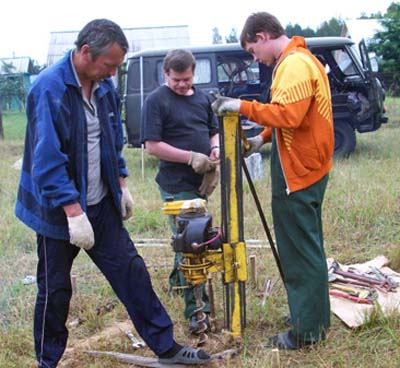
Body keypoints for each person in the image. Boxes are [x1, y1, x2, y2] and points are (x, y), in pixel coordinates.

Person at [15, 19, 210, 367]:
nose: (112, 72)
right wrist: (73, 213)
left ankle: (167, 348)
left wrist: (120, 184)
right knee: (56, 290)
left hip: (101, 204)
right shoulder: (49, 89)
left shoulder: (104, 87)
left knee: (132, 272)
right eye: (110, 65)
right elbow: (47, 160)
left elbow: (111, 140)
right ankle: (47, 362)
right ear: (85, 52)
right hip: (58, 211)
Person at [212, 12, 334, 349]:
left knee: (299, 250)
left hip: (299, 170)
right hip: (307, 165)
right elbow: (288, 111)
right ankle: (310, 314)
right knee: (307, 246)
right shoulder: (298, 60)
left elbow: (289, 115)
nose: (256, 58)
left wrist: (241, 106)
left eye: (253, 50)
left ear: (263, 36)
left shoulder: (294, 64)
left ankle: (307, 331)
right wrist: (262, 139)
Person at [140, 49, 220, 334]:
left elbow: (213, 130)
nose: (182, 85)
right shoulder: (156, 101)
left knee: (185, 238)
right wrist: (189, 157)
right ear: (165, 74)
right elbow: (152, 145)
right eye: (176, 80)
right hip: (175, 184)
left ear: (193, 73)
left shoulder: (202, 98)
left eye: (186, 79)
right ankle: (198, 312)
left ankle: (177, 283)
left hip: (200, 183)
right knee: (192, 245)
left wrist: (214, 149)